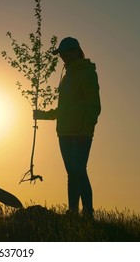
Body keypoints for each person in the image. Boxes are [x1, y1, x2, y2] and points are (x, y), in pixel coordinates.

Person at [34, 37, 101, 218]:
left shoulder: (87, 73)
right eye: (60, 54)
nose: (62, 57)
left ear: (75, 51)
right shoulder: (67, 75)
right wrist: (44, 115)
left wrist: (86, 131)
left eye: (64, 53)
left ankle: (87, 212)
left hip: (80, 132)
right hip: (64, 132)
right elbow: (64, 109)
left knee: (78, 170)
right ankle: (73, 211)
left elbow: (93, 106)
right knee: (72, 173)